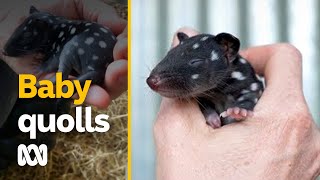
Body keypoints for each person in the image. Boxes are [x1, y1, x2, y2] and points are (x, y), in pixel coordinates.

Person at [154, 27, 320, 179]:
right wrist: (208, 112)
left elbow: (252, 94)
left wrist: (243, 109)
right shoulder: (202, 93)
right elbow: (201, 106)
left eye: (195, 63)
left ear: (226, 51)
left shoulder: (243, 77)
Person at [0, 0, 128, 108]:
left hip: (92, 57)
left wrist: (46, 67)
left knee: (69, 48)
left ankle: (61, 76)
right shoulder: (56, 32)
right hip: (94, 57)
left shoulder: (58, 37)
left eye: (24, 40)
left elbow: (56, 57)